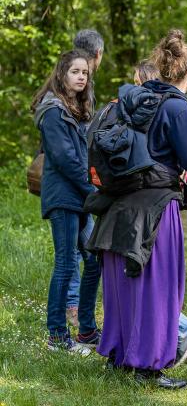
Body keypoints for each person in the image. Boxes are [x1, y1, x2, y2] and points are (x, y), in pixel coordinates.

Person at [93, 29, 187, 389]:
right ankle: (149, 364)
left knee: (122, 283)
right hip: (156, 207)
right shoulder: (177, 107)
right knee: (157, 285)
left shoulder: (134, 98)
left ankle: (119, 356)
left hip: (120, 204)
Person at [132, 59, 187, 369]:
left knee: (136, 280)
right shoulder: (177, 107)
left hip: (126, 201)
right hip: (160, 201)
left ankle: (128, 355)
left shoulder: (139, 100)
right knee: (162, 280)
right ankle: (156, 358)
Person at [31, 50, 101, 355]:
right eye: (75, 71)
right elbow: (66, 160)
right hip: (64, 198)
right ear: (62, 74)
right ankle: (57, 336)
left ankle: (86, 330)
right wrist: (93, 191)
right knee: (65, 264)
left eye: (85, 72)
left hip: (79, 197)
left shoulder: (76, 108)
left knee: (96, 260)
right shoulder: (53, 111)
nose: (82, 76)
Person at [64, 29, 104, 328]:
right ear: (99, 55)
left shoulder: (68, 78)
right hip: (76, 182)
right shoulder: (80, 85)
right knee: (81, 252)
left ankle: (78, 309)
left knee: (82, 251)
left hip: (74, 181)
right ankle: (73, 309)